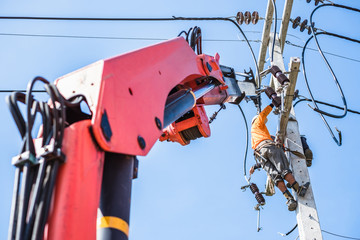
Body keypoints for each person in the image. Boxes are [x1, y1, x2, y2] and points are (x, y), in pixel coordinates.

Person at [250, 103, 309, 211]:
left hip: (261, 156)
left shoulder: (254, 135)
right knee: (283, 169)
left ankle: (289, 199)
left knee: (276, 177)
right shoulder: (257, 124)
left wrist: (255, 166)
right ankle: (298, 189)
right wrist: (273, 104)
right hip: (268, 148)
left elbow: (262, 151)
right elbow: (263, 114)